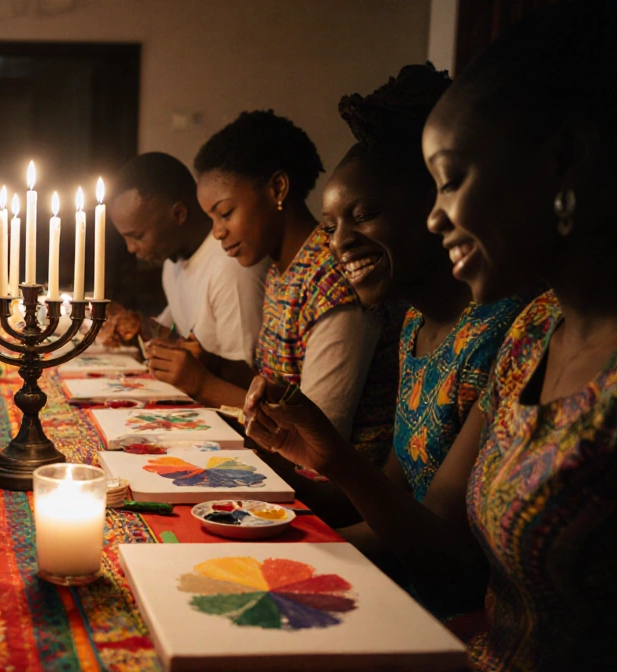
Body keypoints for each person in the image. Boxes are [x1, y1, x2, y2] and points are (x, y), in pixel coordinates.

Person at [246, 2, 617, 667]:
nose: (440, 218)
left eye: (451, 181)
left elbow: (446, 572)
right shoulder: (535, 333)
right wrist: (321, 469)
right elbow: (442, 545)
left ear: (565, 160)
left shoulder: (507, 327)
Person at [249, 65, 525, 575]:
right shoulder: (414, 327)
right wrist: (273, 457)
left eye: (365, 213)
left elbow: (440, 544)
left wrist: (329, 472)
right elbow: (387, 503)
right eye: (330, 227)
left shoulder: (505, 331)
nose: (339, 243)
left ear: (433, 203)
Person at [186, 110, 403, 474]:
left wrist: (206, 385)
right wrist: (216, 365)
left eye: (225, 213)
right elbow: (282, 384)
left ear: (277, 189)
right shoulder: (281, 268)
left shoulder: (335, 279)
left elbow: (317, 440)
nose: (217, 232)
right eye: (211, 219)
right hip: (285, 468)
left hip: (339, 491)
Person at [109, 152, 269, 389]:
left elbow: (247, 377)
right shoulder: (173, 262)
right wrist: (136, 325)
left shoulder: (230, 265)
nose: (131, 248)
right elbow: (172, 331)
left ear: (178, 214)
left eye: (138, 236)